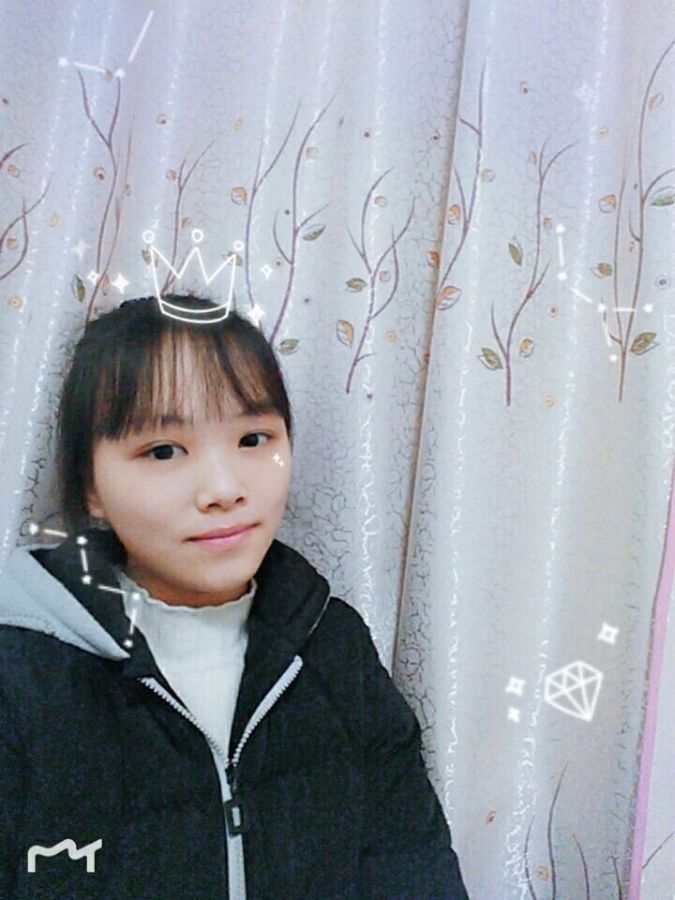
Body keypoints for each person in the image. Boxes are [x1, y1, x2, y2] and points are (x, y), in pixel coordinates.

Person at [0, 295, 469, 899]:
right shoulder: (21, 674)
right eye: (163, 450)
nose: (224, 489)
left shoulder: (332, 647)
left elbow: (413, 865)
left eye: (253, 438)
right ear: (91, 486)